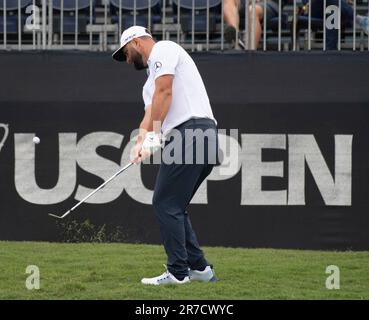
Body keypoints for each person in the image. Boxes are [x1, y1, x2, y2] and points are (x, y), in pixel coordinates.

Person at [112, 26, 219, 285]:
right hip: (198, 136)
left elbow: (166, 92)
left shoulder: (164, 49)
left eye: (125, 53)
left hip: (192, 131)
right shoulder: (149, 82)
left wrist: (154, 137)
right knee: (175, 206)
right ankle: (200, 269)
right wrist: (139, 143)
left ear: (137, 43)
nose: (126, 60)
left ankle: (178, 273)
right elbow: (150, 113)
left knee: (164, 204)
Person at [303, 0, 369, 50]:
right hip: (314, 9)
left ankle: (330, 51)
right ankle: (359, 19)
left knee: (333, 9)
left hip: (337, 9)